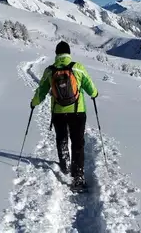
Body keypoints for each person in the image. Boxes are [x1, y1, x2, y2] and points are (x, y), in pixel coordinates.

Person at [30, 41, 98, 189]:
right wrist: (95, 94)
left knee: (61, 139)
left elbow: (41, 91)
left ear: (56, 54)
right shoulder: (77, 68)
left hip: (58, 112)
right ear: (68, 53)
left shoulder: (50, 71)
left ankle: (65, 165)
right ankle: (78, 177)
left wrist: (34, 103)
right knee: (78, 142)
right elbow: (91, 88)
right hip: (77, 111)